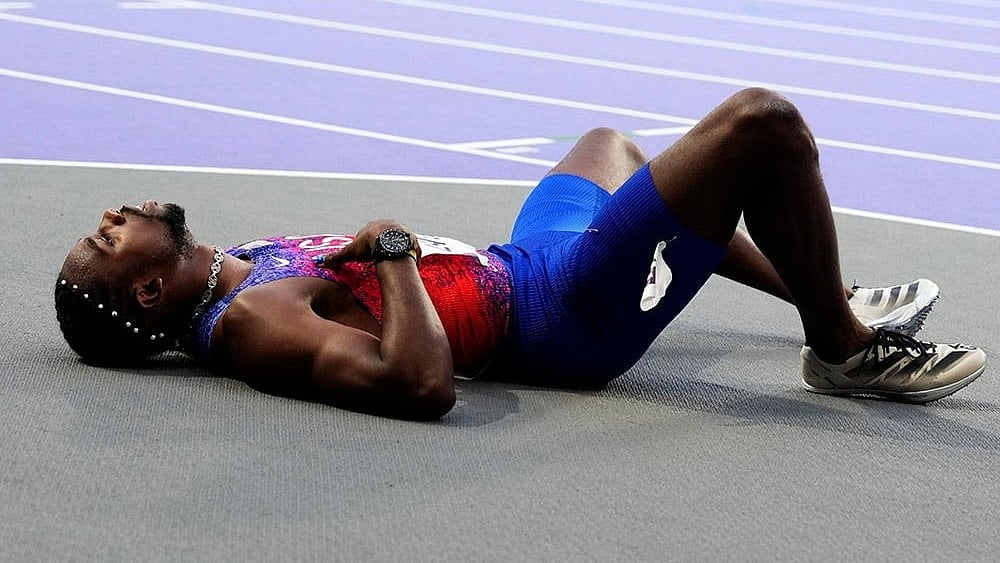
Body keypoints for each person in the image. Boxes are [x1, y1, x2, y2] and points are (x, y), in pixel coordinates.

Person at [54, 88, 986, 420]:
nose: (115, 212)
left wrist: (394, 256)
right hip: (564, 315)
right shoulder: (251, 321)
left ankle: (827, 288)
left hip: (522, 259)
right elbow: (419, 385)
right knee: (760, 126)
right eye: (108, 235)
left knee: (608, 144)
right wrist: (390, 251)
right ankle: (843, 345)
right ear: (145, 286)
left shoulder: (235, 269)